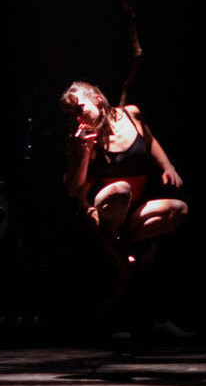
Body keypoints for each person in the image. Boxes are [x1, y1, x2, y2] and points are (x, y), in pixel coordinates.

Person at [59, 80, 188, 259]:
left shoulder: (131, 113)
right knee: (121, 189)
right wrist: (84, 152)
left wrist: (167, 166)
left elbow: (149, 140)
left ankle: (125, 243)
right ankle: (112, 241)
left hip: (137, 207)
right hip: (109, 210)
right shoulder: (82, 139)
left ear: (97, 100)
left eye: (80, 108)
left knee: (179, 210)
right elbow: (73, 189)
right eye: (73, 114)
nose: (78, 118)